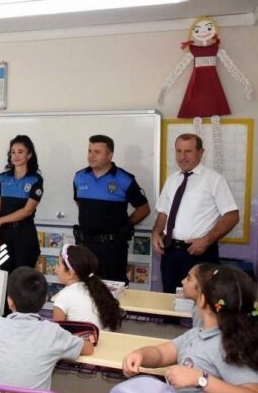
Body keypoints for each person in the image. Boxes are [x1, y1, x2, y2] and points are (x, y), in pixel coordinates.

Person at [122, 266, 258, 393]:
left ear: (202, 300)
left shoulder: (228, 345)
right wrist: (141, 355)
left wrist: (200, 379)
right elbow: (162, 353)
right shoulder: (196, 335)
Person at [152, 133, 239, 293]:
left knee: (203, 302)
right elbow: (163, 212)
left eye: (188, 151)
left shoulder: (214, 180)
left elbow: (232, 216)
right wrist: (156, 233)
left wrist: (206, 241)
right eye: (178, 151)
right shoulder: (172, 179)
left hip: (200, 252)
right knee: (170, 300)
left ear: (201, 153)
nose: (182, 156)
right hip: (170, 251)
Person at [0, 267, 93, 390]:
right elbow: (88, 349)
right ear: (44, 301)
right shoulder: (52, 332)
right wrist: (73, 338)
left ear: (9, 302)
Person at [73, 135, 149, 284]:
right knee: (85, 288)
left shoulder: (124, 179)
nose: (91, 156)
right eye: (89, 151)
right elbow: (79, 203)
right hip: (85, 245)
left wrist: (124, 224)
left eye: (97, 152)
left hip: (112, 248)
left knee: (112, 291)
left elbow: (143, 209)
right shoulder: (79, 177)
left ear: (109, 154)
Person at [0, 135, 43, 274]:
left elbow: (27, 211)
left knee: (22, 278)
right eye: (13, 152)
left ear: (29, 154)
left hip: (24, 235)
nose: (16, 156)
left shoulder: (35, 179)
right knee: (2, 276)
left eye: (20, 152)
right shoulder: (2, 178)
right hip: (3, 235)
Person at [52, 244, 123, 331]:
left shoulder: (63, 297)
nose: (55, 269)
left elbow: (57, 334)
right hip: (105, 341)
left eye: (58, 265)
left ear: (70, 273)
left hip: (83, 343)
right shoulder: (97, 289)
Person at [181, 262, 217, 330]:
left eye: (189, 279)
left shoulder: (203, 313)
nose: (182, 281)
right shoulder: (197, 307)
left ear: (202, 286)